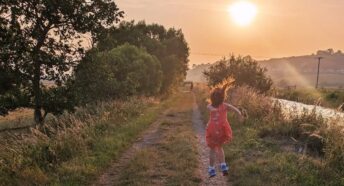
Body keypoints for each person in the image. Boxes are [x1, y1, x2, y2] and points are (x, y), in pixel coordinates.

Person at [206, 85, 244, 178]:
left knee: (212, 149)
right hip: (222, 130)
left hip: (213, 130)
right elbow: (235, 109)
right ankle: (223, 166)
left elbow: (210, 108)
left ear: (212, 97)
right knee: (220, 147)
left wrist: (214, 110)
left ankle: (211, 169)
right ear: (223, 97)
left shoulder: (210, 105)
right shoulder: (225, 105)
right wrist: (239, 114)